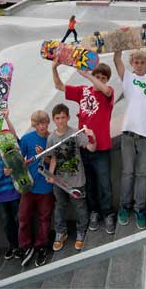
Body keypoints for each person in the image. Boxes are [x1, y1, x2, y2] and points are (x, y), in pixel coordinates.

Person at [52, 59, 116, 234]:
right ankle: (94, 212)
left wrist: (87, 75)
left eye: (104, 77)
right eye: (98, 76)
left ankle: (108, 214)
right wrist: (54, 68)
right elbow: (59, 86)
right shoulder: (82, 91)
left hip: (101, 148)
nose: (100, 80)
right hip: (83, 147)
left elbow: (104, 89)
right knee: (89, 184)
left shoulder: (107, 93)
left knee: (105, 184)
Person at [113, 49, 146, 229]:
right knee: (127, 173)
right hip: (128, 133)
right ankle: (124, 207)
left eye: (142, 62)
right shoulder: (128, 78)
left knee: (142, 175)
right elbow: (117, 61)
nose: (139, 65)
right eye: (136, 62)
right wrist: (118, 48)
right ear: (132, 64)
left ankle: (140, 209)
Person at [46, 104, 96, 252]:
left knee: (80, 207)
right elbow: (53, 158)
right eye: (57, 118)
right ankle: (61, 232)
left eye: (63, 117)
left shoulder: (75, 133)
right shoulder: (51, 138)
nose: (61, 121)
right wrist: (50, 174)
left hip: (77, 180)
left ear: (68, 117)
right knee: (60, 207)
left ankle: (82, 231)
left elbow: (91, 148)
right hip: (60, 182)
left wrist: (92, 136)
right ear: (53, 120)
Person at [16, 110, 53, 267]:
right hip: (29, 187)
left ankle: (41, 246)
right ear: (34, 125)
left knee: (44, 219)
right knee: (23, 217)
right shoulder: (27, 139)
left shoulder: (52, 138)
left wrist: (43, 155)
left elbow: (55, 161)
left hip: (45, 187)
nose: (42, 126)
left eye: (44, 123)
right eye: (38, 124)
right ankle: (25, 246)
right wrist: (14, 169)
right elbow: (18, 159)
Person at [0, 109, 20, 262]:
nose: (3, 140)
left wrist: (7, 119)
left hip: (14, 189)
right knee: (7, 222)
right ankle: (13, 246)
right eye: (1, 139)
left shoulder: (13, 150)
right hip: (0, 191)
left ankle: (22, 245)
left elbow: (14, 136)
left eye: (6, 138)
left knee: (18, 218)